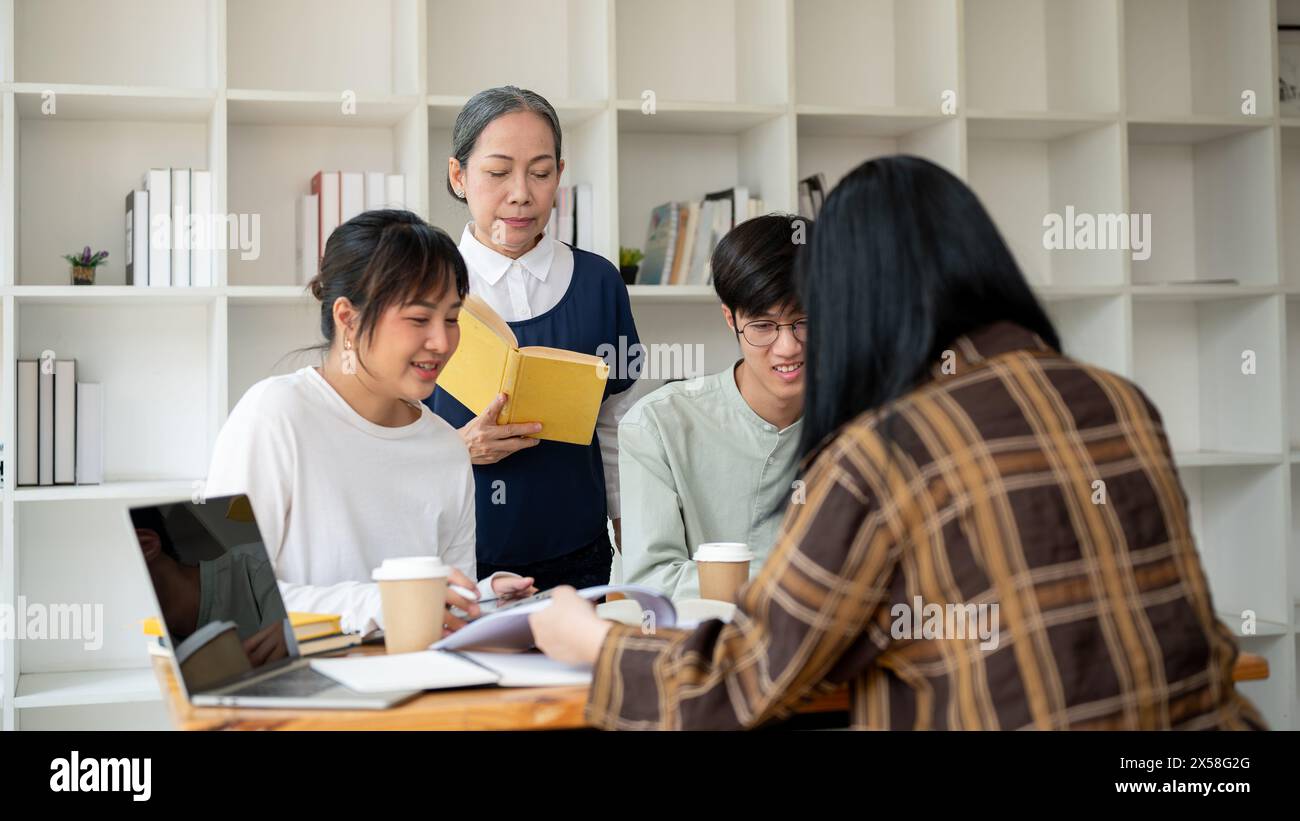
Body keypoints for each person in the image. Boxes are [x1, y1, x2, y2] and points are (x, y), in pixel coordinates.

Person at [529, 155, 1266, 730]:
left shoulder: (890, 446)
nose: (795, 342)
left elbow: (744, 679)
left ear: (853, 297)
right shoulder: (1119, 399)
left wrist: (591, 640)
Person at [205, 210, 535, 637]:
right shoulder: (274, 415)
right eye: (419, 318)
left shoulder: (444, 447)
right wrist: (381, 603)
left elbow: (443, 612)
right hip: (306, 694)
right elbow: (221, 597)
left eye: (452, 318)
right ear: (348, 318)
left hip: (417, 690)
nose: (441, 341)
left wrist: (484, 601)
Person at [428, 86, 641, 591]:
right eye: (498, 173)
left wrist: (628, 522)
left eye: (541, 173)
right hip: (455, 556)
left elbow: (615, 424)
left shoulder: (599, 282)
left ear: (559, 176)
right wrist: (458, 448)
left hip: (578, 555)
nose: (521, 193)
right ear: (459, 177)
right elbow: (381, 437)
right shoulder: (424, 287)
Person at [619, 214, 809, 599]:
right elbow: (653, 580)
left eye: (805, 321)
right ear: (731, 319)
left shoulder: (867, 421)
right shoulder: (658, 424)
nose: (788, 346)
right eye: (763, 327)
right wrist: (800, 586)